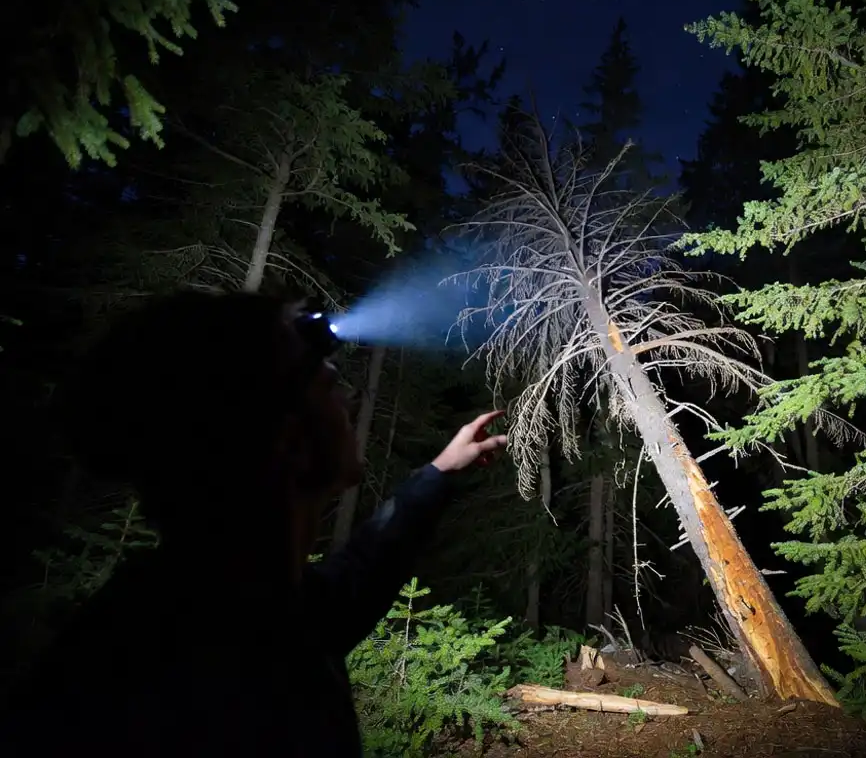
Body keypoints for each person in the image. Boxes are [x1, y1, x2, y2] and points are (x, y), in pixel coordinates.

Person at [0, 289, 508, 756]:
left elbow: (350, 585)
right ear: (286, 439)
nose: (349, 399)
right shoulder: (169, 674)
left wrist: (440, 471)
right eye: (328, 386)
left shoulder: (228, 604)